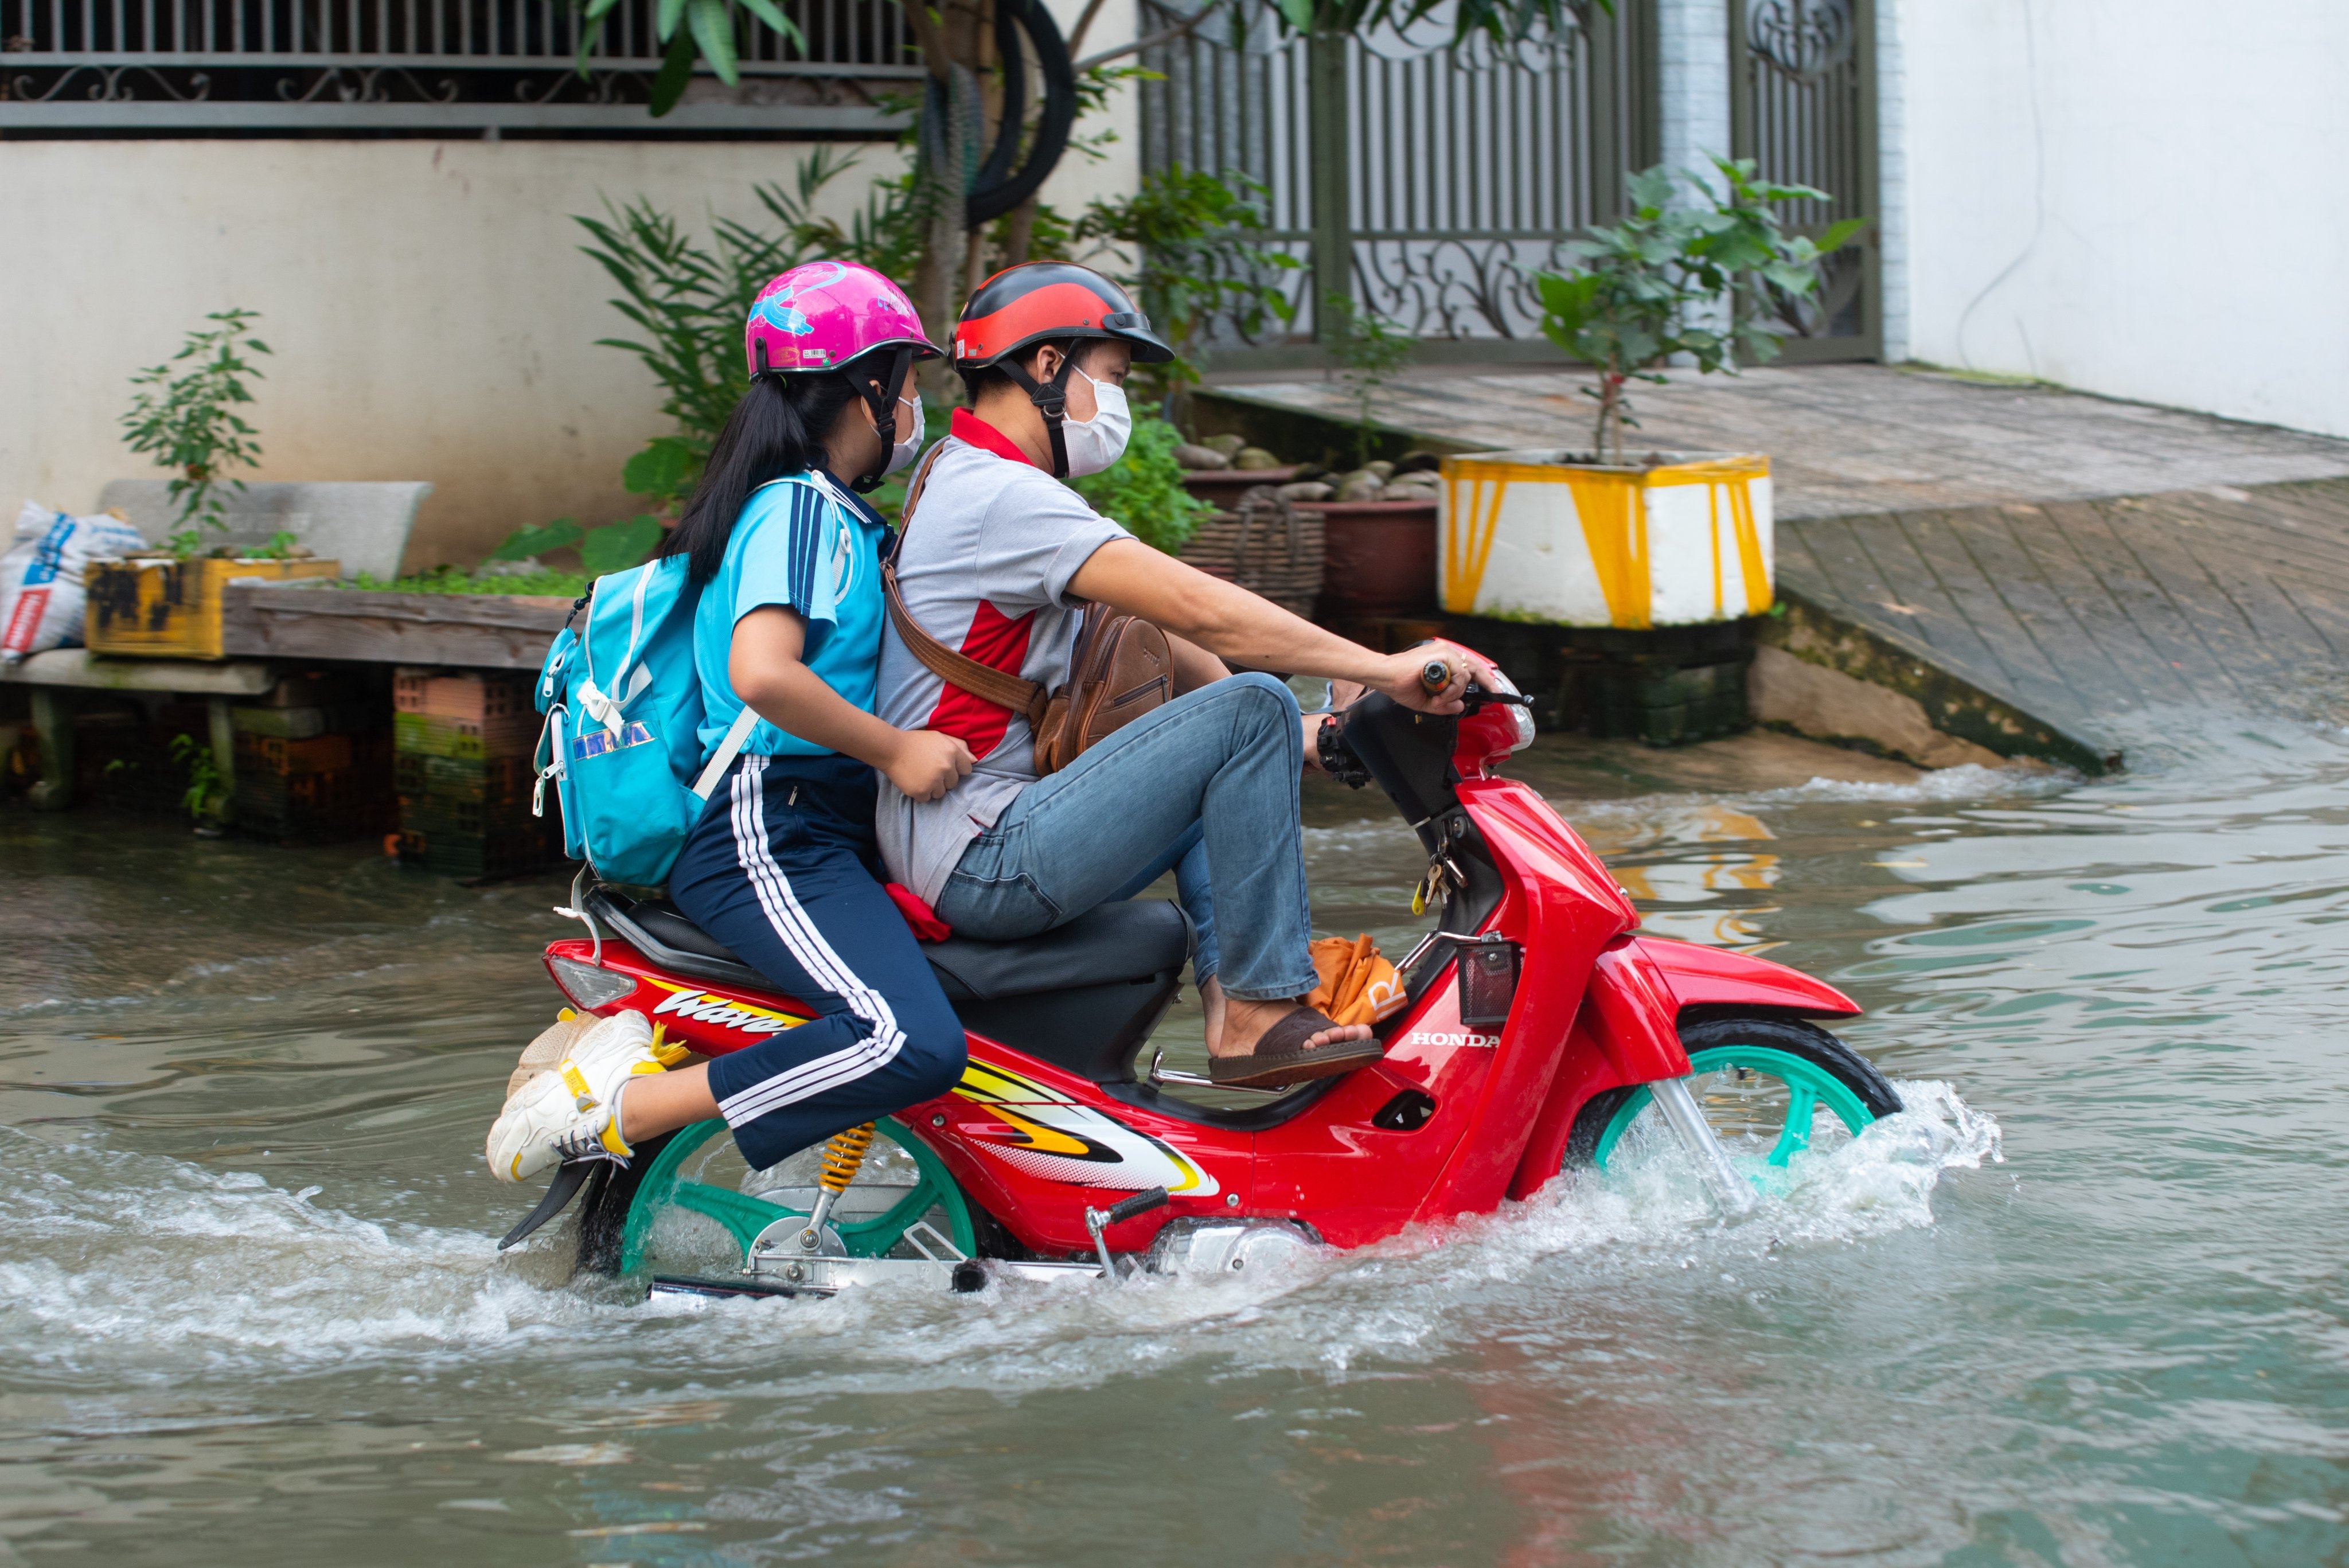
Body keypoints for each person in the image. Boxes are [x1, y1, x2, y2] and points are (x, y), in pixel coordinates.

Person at [874, 260, 1496, 1090]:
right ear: (1049, 366)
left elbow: (1156, 626)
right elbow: (1204, 609)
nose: (1119, 402)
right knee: (1250, 712)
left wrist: (1312, 733)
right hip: (981, 858)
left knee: (1245, 731)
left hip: (967, 836)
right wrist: (1383, 669)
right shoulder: (1001, 500)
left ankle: (1241, 1013)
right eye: (1114, 378)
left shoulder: (974, 475)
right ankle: (1257, 1009)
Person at [488, 260, 974, 1184]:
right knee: (907, 1039)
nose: (916, 409)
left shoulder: (837, 517)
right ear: (867, 388)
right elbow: (763, 672)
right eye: (910, 385)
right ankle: (614, 1111)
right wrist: (899, 749)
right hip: (766, 825)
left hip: (815, 823)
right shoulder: (796, 505)